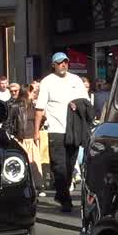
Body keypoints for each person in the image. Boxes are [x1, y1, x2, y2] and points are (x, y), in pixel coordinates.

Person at [35, 53, 88, 213]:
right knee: (59, 167)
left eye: (65, 62)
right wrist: (36, 132)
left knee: (70, 165)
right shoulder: (47, 82)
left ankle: (61, 193)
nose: (63, 65)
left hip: (74, 130)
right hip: (56, 131)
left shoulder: (76, 80)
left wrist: (77, 105)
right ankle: (65, 200)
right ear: (53, 65)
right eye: (59, 63)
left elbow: (86, 102)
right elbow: (39, 109)